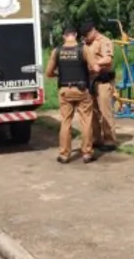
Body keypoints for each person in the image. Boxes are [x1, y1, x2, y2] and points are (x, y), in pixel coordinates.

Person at [44, 26, 97, 164]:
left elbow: (48, 73)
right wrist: (89, 75)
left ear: (64, 36)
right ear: (76, 35)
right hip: (81, 90)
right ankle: (87, 153)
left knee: (66, 122)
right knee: (86, 122)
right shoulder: (83, 49)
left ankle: (64, 155)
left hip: (65, 91)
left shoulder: (57, 51)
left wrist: (59, 75)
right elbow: (95, 68)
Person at [80, 21, 118, 152]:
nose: (85, 38)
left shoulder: (105, 41)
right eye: (83, 36)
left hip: (102, 81)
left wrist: (94, 64)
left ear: (93, 31)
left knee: (105, 110)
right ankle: (96, 139)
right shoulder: (86, 44)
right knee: (93, 112)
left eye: (86, 35)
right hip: (90, 82)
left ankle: (109, 140)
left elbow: (108, 59)